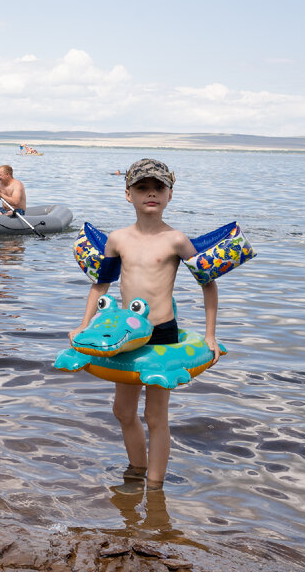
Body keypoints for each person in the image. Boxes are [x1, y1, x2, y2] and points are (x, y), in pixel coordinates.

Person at [68, 158, 220, 491]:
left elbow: (208, 283)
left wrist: (210, 335)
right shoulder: (117, 239)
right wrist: (83, 327)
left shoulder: (176, 240)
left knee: (155, 416)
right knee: (122, 411)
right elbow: (100, 285)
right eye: (142, 188)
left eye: (158, 188)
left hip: (162, 333)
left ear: (169, 195)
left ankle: (154, 486)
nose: (150, 194)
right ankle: (136, 470)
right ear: (128, 195)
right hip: (127, 334)